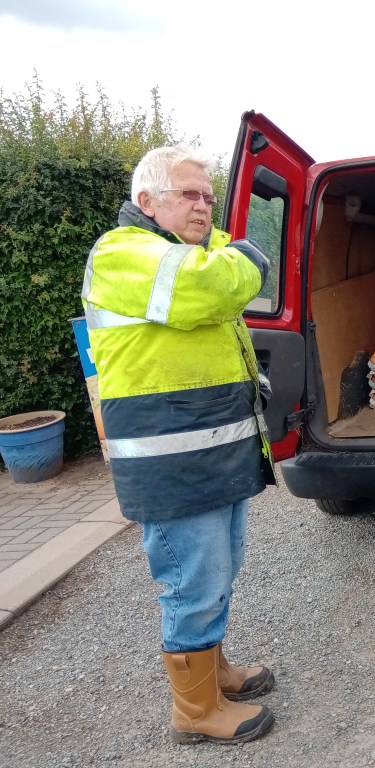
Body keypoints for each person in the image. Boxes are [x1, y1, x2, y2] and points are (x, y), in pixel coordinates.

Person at [81, 146, 277, 745]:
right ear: (147, 201)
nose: (204, 206)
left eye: (208, 197)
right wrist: (245, 256)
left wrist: (228, 254)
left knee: (220, 568)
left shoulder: (189, 251)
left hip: (210, 454)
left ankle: (215, 674)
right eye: (189, 194)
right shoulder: (121, 253)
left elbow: (220, 281)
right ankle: (194, 712)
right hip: (170, 462)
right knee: (193, 579)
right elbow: (210, 287)